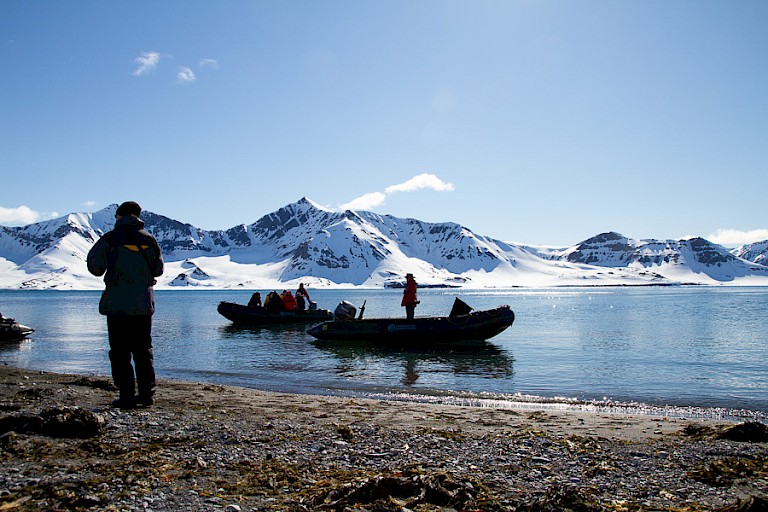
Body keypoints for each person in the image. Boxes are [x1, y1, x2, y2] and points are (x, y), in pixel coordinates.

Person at [87, 201, 164, 409]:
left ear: (119, 216)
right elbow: (158, 270)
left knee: (120, 352)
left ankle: (127, 395)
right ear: (138, 217)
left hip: (117, 304)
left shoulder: (110, 239)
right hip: (143, 305)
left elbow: (95, 267)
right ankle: (147, 395)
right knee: (143, 350)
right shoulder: (150, 240)